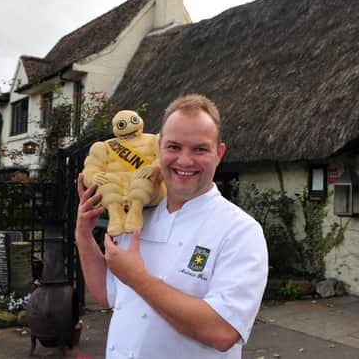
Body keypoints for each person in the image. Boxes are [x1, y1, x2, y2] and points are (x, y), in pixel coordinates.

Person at [76, 94, 268, 358]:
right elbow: (109, 294)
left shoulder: (240, 231)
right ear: (159, 147)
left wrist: (138, 278)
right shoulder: (139, 215)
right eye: (174, 147)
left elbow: (223, 331)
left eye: (199, 149)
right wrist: (84, 235)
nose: (185, 161)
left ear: (218, 153)